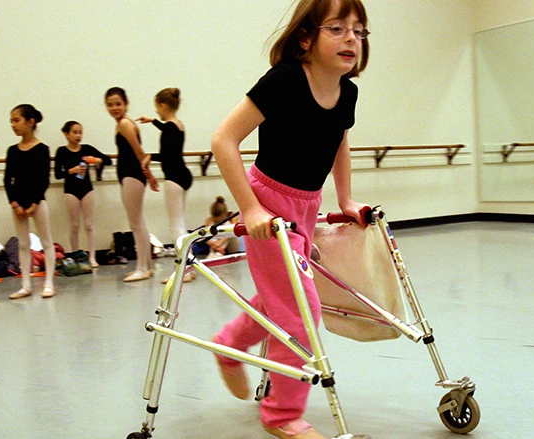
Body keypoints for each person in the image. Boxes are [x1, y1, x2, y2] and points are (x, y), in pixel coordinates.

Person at [210, 0, 371, 437]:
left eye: (359, 31)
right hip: (268, 201)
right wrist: (250, 207)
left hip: (307, 205)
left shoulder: (347, 93)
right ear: (306, 37)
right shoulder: (283, 81)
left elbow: (338, 140)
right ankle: (281, 415)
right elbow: (224, 139)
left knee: (281, 299)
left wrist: (346, 198)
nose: (351, 38)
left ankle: (229, 344)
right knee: (300, 308)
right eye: (337, 28)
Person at [105, 87, 159, 282]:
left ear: (126, 104)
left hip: (132, 175)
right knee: (138, 222)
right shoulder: (122, 123)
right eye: (110, 105)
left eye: (118, 104)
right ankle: (148, 267)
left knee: (135, 223)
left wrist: (150, 176)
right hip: (129, 175)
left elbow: (139, 152)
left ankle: (142, 268)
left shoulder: (125, 124)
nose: (114, 108)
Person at [4, 104, 56, 299]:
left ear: (30, 122)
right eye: (11, 121)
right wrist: (14, 204)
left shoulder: (42, 149)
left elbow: (44, 179)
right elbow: (7, 180)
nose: (13, 125)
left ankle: (49, 283)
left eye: (16, 120)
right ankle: (25, 285)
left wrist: (34, 203)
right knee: (23, 244)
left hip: (37, 202)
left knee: (46, 242)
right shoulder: (12, 151)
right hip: (18, 203)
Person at [137, 87, 192, 252]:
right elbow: (168, 131)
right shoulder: (178, 125)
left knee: (175, 224)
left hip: (174, 177)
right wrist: (153, 120)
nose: (156, 110)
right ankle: (187, 261)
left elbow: (168, 156)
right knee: (180, 222)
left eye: (156, 107)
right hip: (183, 175)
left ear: (163, 105)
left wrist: (150, 157)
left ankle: (186, 262)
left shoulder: (169, 128)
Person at [54, 121, 112, 268]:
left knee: (89, 224)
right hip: (71, 190)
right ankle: (75, 255)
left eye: (80, 132)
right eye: (74, 132)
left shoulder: (86, 149)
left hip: (87, 189)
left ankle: (92, 257)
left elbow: (108, 160)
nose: (78, 135)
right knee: (74, 225)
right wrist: (71, 171)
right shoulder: (61, 151)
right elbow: (57, 174)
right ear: (66, 134)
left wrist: (97, 160)